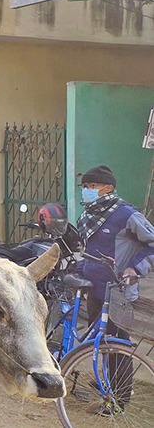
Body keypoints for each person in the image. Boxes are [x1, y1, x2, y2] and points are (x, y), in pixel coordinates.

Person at [77, 165, 154, 412]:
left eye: (92, 186)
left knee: (117, 345)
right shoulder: (89, 214)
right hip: (94, 288)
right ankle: (106, 385)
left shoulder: (126, 215)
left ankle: (118, 401)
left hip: (118, 292)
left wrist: (134, 269)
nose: (87, 191)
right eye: (85, 187)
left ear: (108, 188)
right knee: (100, 344)